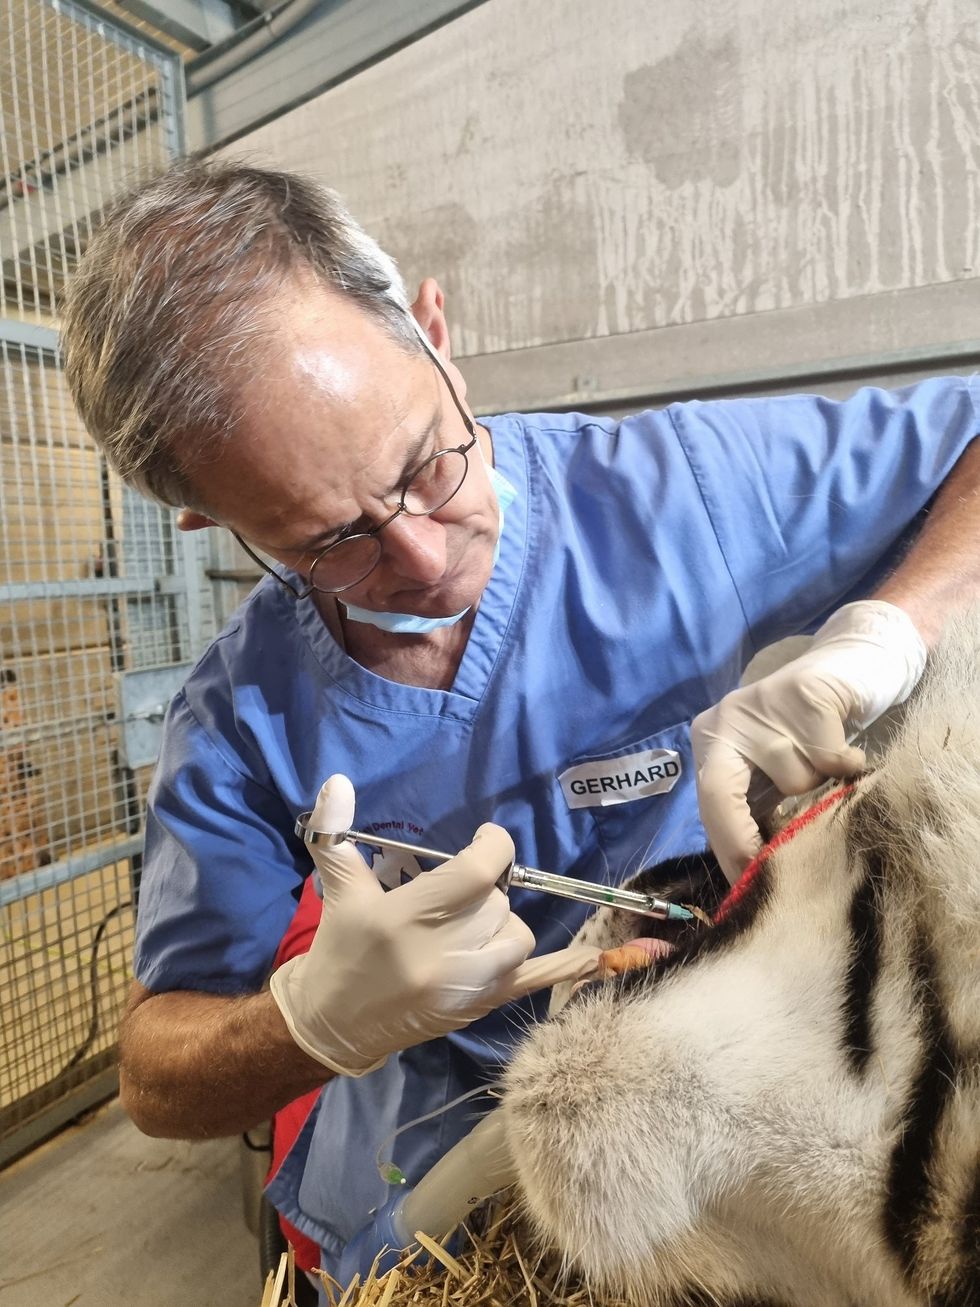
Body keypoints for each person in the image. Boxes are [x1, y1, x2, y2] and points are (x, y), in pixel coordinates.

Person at [61, 158, 980, 1287]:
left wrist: (880, 636)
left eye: (425, 462)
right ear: (209, 515)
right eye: (325, 540)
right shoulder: (239, 720)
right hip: (435, 1148)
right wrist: (317, 1021)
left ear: (434, 331)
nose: (423, 556)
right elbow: (156, 1078)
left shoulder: (672, 492)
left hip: (701, 1061)